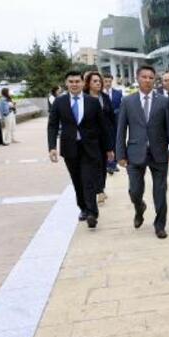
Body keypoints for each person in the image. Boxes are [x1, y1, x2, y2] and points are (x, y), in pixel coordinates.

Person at [116, 65, 169, 239]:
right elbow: (121, 130)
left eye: (151, 78)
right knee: (135, 190)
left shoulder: (163, 101)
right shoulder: (128, 102)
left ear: (155, 80)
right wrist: (120, 154)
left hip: (159, 153)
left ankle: (160, 225)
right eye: (144, 77)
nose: (147, 80)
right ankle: (139, 207)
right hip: (135, 153)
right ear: (138, 79)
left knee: (160, 191)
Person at [48, 71, 114, 228]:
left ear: (83, 83)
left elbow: (103, 126)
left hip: (90, 148)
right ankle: (83, 208)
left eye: (77, 81)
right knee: (77, 180)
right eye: (71, 81)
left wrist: (109, 148)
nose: (74, 84)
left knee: (88, 180)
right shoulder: (59, 102)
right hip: (70, 148)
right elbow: (52, 125)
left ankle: (92, 213)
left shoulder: (92, 102)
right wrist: (52, 147)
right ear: (66, 83)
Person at [84, 72, 115, 204]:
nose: (98, 83)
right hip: (89, 138)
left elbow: (112, 117)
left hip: (105, 136)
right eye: (95, 81)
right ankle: (96, 190)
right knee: (91, 165)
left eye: (99, 81)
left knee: (102, 164)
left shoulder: (105, 97)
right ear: (88, 83)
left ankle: (101, 189)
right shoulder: (84, 98)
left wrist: (113, 136)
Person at [102, 74, 124, 174]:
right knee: (105, 143)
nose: (107, 83)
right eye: (105, 81)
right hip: (102, 123)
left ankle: (113, 164)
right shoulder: (99, 93)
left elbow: (122, 107)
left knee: (115, 142)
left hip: (115, 122)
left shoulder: (118, 94)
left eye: (109, 81)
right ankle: (107, 164)